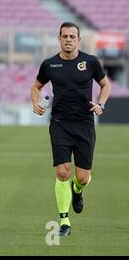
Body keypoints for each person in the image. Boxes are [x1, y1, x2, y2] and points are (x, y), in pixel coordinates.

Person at [31, 22, 111, 236]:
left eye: (72, 36)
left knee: (83, 177)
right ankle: (64, 222)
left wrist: (101, 104)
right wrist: (35, 102)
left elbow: (106, 85)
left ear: (78, 40)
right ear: (59, 38)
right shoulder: (49, 64)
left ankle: (77, 190)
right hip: (60, 124)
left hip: (84, 124)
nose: (68, 39)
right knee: (62, 172)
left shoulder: (91, 62)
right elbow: (36, 86)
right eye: (64, 36)